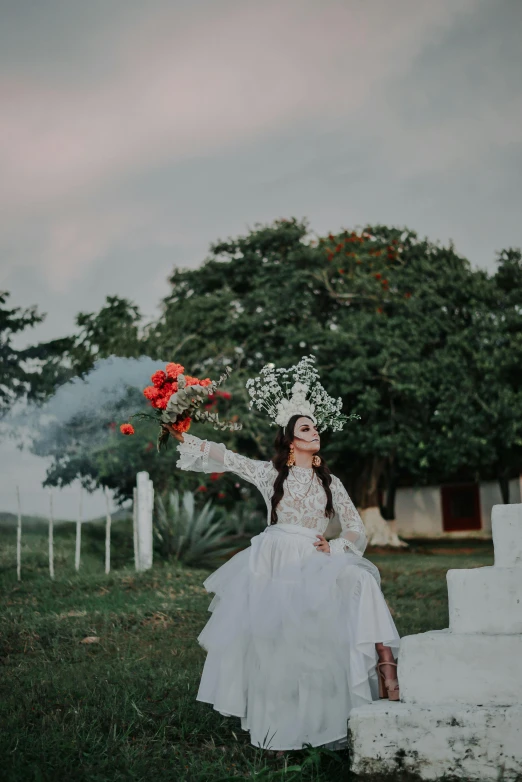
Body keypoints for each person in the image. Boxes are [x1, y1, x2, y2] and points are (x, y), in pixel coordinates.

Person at [168, 359, 400, 752]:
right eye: (305, 427)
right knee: (279, 642)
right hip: (274, 561)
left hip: (316, 558)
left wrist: (339, 546)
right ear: (291, 440)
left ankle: (385, 663)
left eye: (315, 426)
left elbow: (356, 527)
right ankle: (280, 727)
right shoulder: (269, 474)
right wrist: (176, 428)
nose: (315, 432)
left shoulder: (332, 481)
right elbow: (224, 456)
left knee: (359, 581)